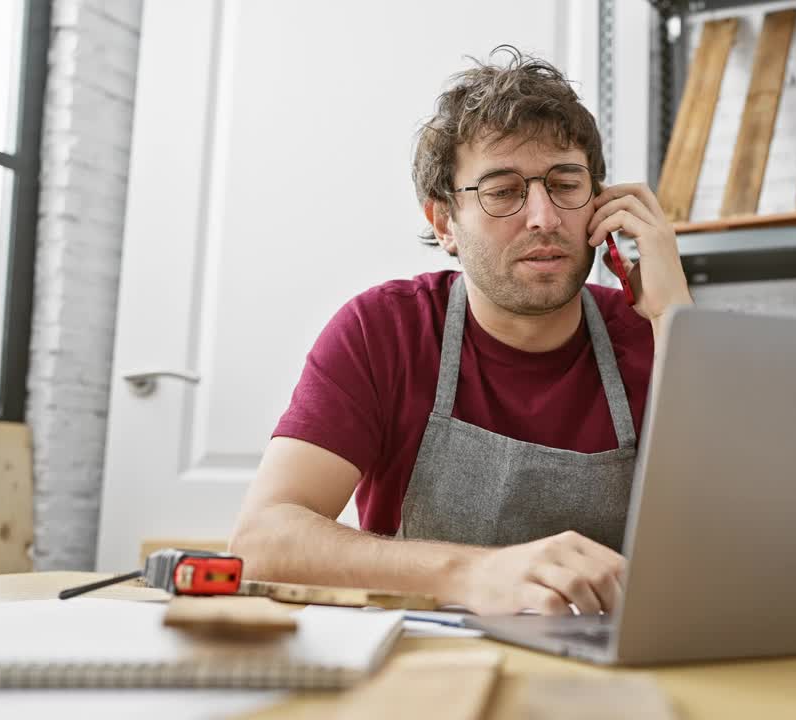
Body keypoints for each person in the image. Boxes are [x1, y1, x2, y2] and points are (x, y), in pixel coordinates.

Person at [229, 47, 693, 616]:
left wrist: (677, 319)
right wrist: (476, 573)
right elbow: (262, 540)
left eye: (566, 184)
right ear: (444, 222)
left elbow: (738, 540)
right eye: (503, 192)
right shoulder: (382, 332)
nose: (544, 217)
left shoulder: (655, 334)